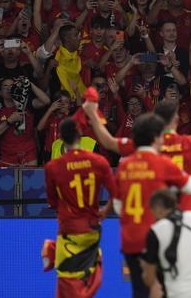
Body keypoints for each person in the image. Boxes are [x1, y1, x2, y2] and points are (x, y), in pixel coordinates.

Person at [111, 113, 191, 298]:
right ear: (154, 138)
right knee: (164, 290)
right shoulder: (163, 163)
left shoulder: (124, 166)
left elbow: (119, 207)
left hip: (130, 241)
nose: (163, 140)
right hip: (157, 240)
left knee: (140, 291)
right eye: (160, 136)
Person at [43, 118, 116, 298]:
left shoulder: (53, 167)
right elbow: (117, 193)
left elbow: (52, 202)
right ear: (80, 135)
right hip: (91, 230)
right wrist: (105, 211)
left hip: (68, 231)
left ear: (60, 137)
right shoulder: (99, 162)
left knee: (67, 285)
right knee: (87, 279)